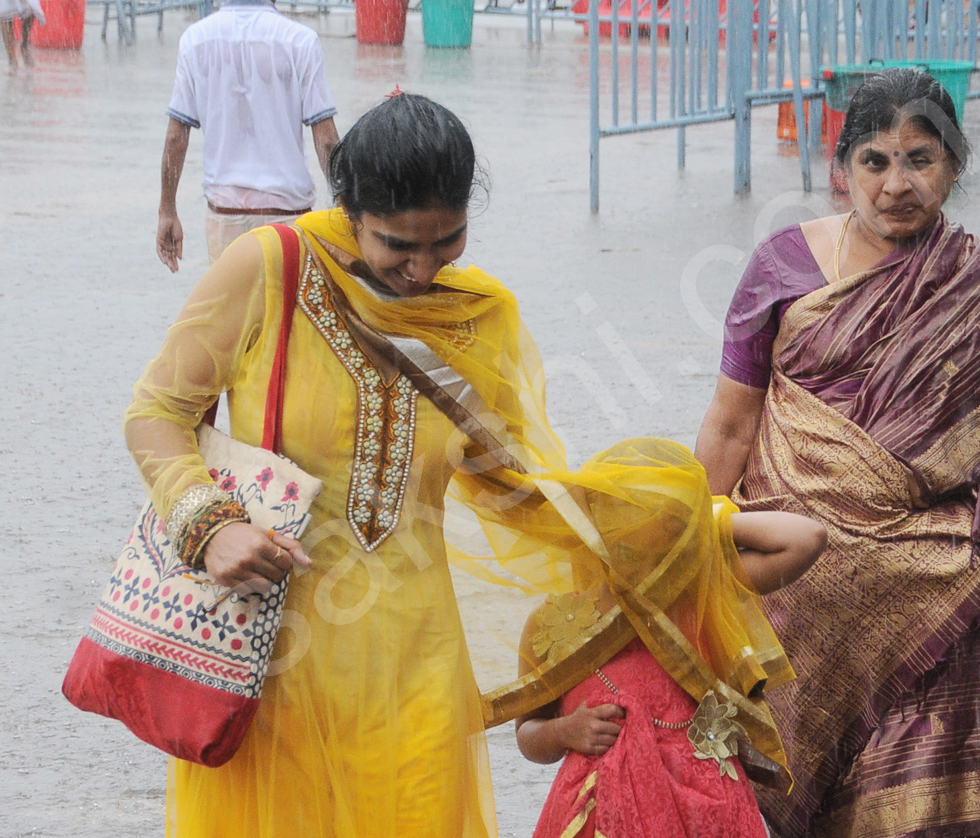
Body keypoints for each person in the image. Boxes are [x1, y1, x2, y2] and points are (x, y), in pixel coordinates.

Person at [125, 92, 797, 838]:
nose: (420, 269)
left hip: (416, 656)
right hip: (278, 646)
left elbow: (515, 491)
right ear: (347, 208)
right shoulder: (271, 268)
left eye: (445, 241)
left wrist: (682, 526)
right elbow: (155, 413)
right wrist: (209, 526)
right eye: (395, 245)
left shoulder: (479, 315)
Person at [694, 68, 980, 838]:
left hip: (940, 604)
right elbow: (728, 428)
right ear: (841, 170)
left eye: (921, 159)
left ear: (953, 168)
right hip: (794, 606)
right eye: (875, 162)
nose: (897, 184)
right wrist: (684, 558)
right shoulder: (781, 267)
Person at [517, 501, 826, 838]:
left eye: (651, 536)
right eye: (620, 537)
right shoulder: (555, 624)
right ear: (591, 538)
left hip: (709, 814)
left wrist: (695, 516)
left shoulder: (701, 599)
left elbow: (806, 537)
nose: (635, 552)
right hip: (599, 814)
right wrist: (564, 731)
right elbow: (527, 732)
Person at [156, 0, 338, 272]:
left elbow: (175, 137)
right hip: (289, 221)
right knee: (285, 319)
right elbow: (326, 139)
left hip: (224, 215)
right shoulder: (300, 42)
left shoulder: (195, 40)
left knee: (238, 320)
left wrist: (167, 210)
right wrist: (347, 208)